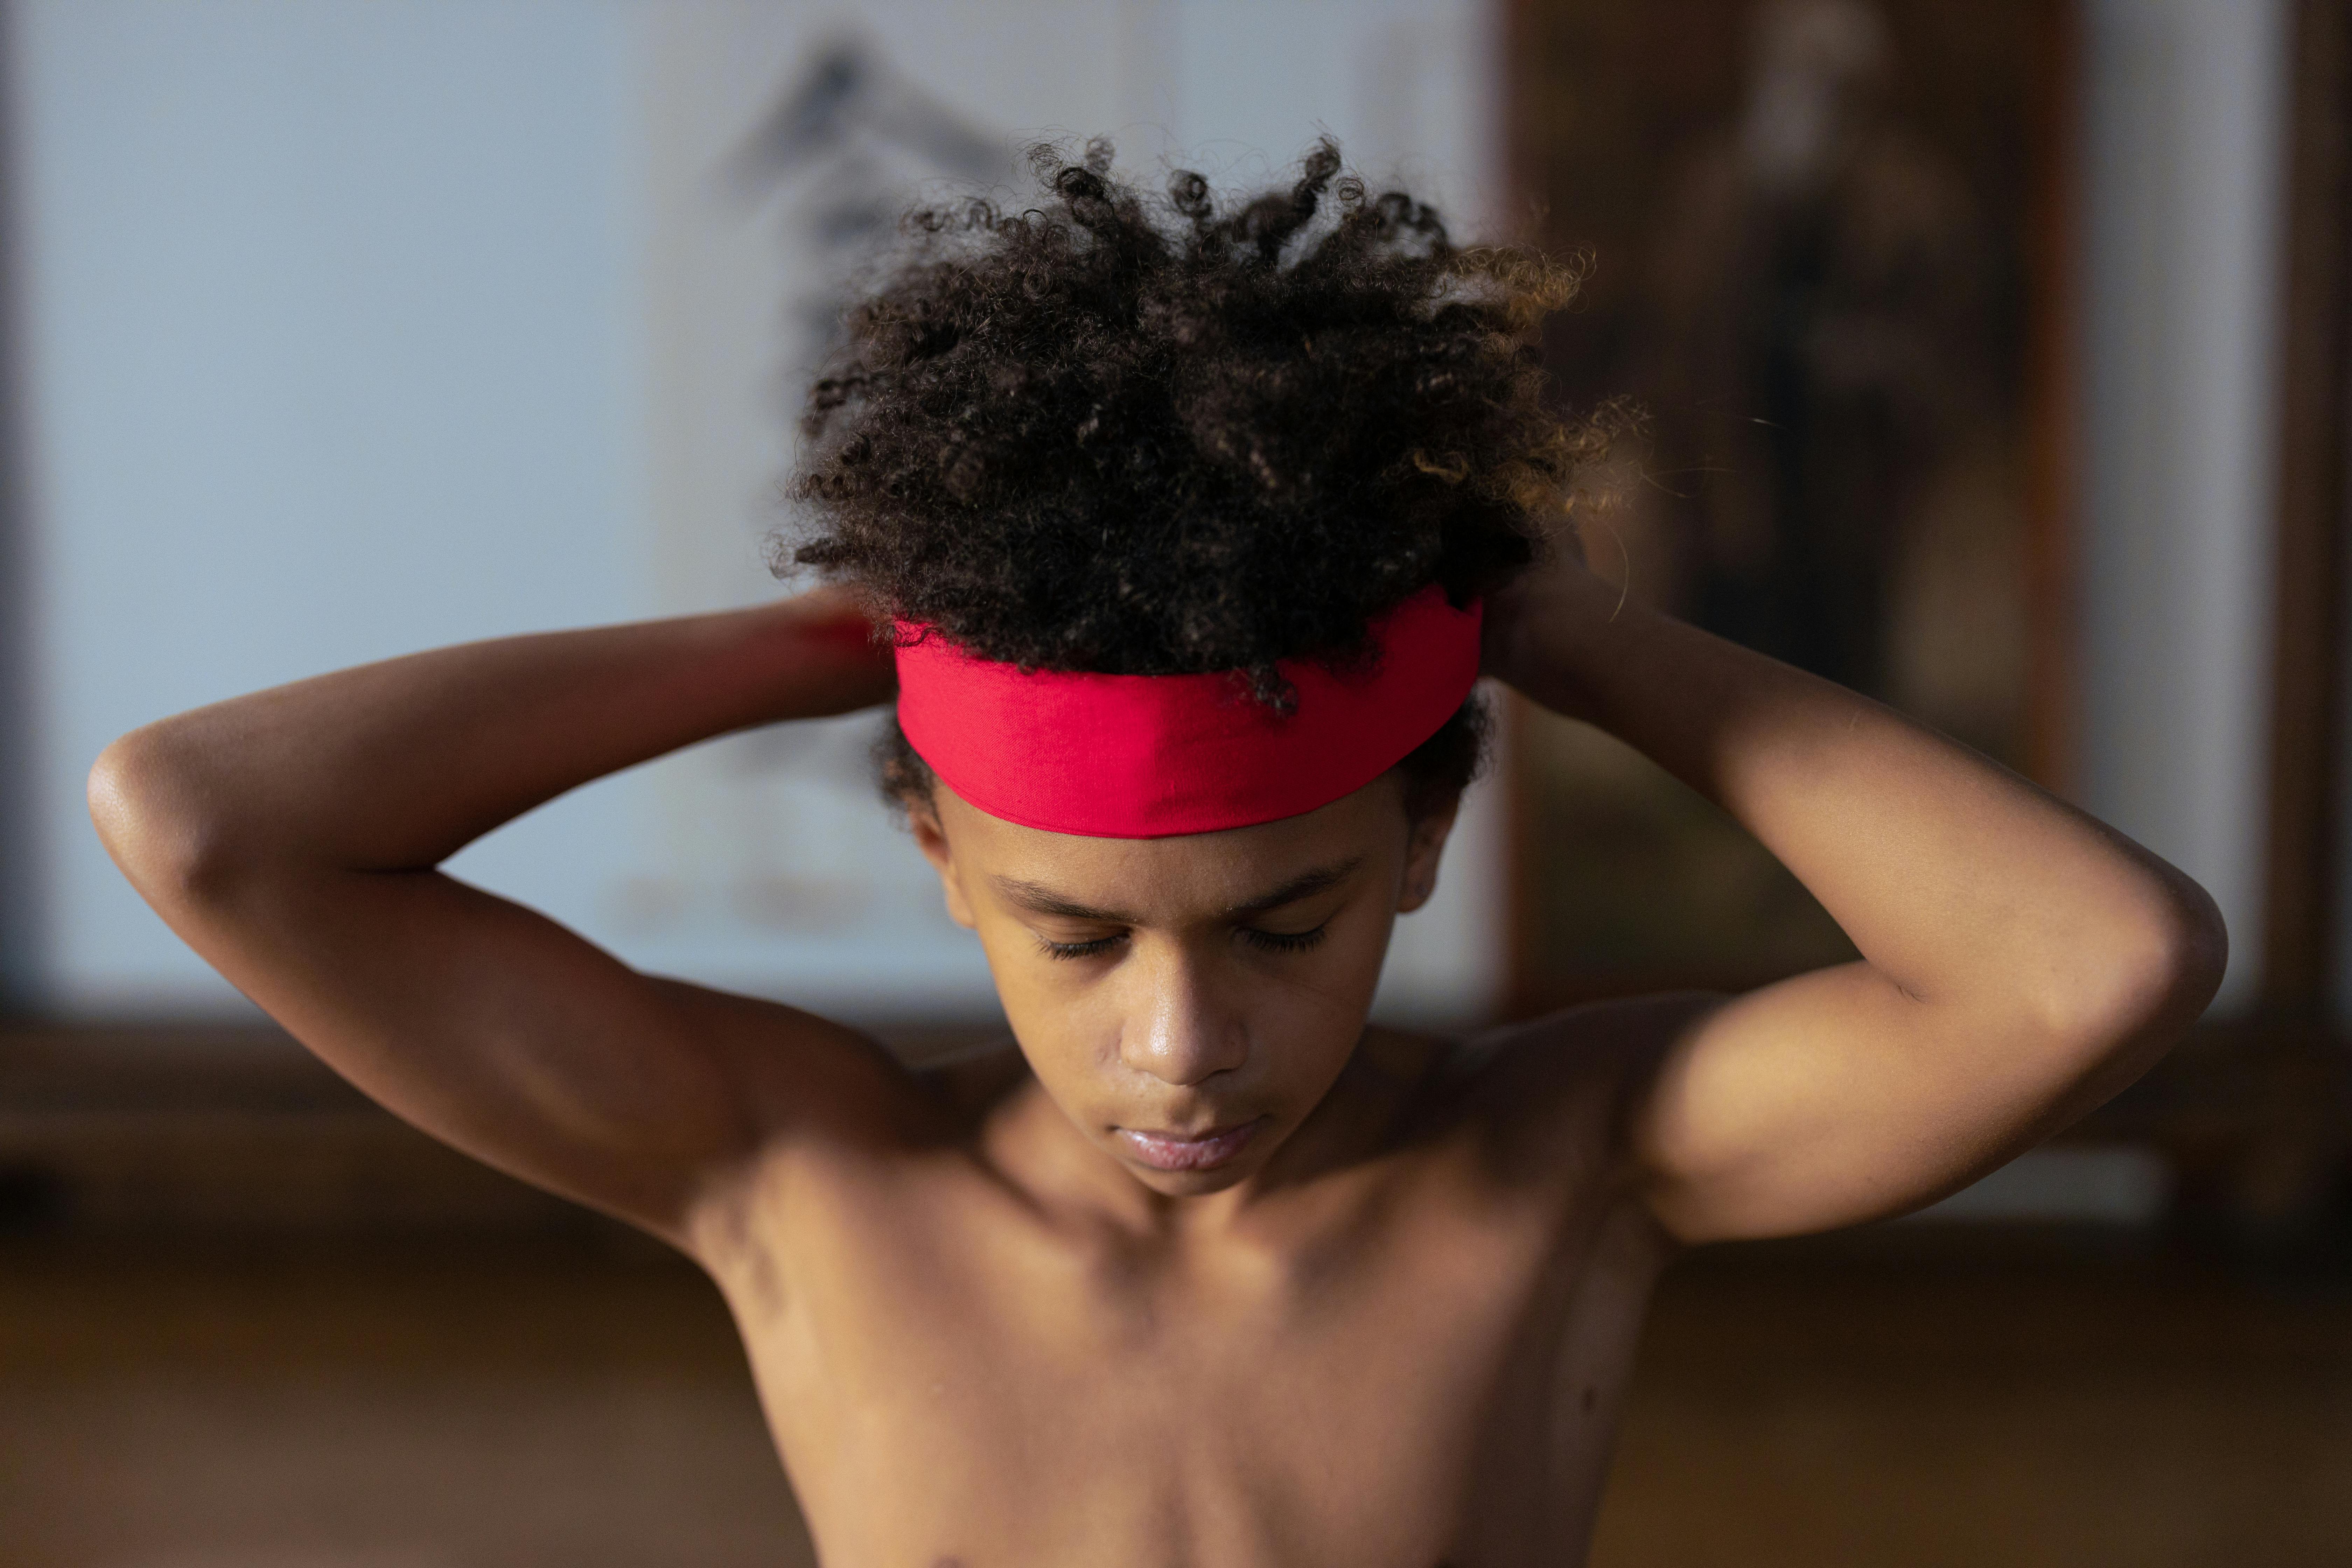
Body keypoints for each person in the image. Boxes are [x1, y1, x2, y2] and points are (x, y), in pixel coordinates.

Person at [90, 142, 2223, 1567]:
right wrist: (842, 631)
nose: (1181, 1042)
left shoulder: (1573, 1163)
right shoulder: (801, 1173)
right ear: (936, 844)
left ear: (1425, 829)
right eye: (1075, 936)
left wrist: (1547, 620)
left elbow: (2095, 965)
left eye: (1280, 923)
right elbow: (203, 823)